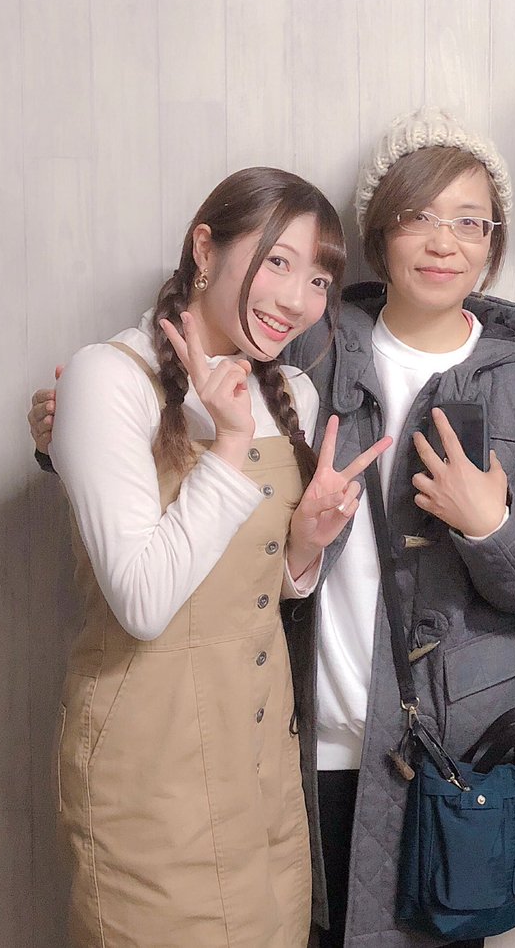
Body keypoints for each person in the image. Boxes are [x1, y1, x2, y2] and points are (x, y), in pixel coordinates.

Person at [31, 110, 515, 948]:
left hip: (446, 747)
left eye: (471, 222)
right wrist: (65, 435)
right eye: (420, 215)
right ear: (381, 230)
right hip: (292, 728)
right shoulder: (315, 348)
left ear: (493, 241)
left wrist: (488, 525)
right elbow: (173, 427)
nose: (444, 242)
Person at [46, 167, 389, 946]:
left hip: (263, 767)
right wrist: (230, 445)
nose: (297, 298)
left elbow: (257, 589)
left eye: (319, 279)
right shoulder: (110, 377)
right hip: (151, 771)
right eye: (277, 261)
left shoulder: (291, 389)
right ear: (204, 248)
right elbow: (143, 599)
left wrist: (304, 545)